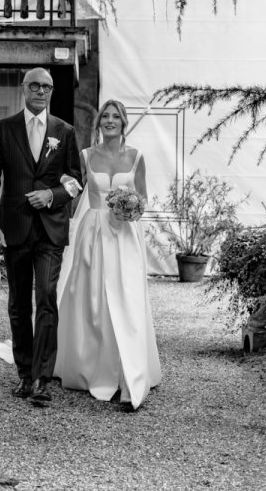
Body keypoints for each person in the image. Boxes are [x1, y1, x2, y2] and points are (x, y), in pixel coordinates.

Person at [0, 67, 82, 406]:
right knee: (19, 304)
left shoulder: (64, 132)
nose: (40, 91)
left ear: (52, 92)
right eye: (34, 85)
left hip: (51, 230)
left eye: (46, 87)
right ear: (24, 89)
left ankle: (42, 379)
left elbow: (75, 180)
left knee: (47, 298)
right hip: (14, 228)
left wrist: (52, 195)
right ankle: (24, 374)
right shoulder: (3, 129)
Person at [53, 99, 161, 410]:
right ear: (99, 123)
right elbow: (72, 185)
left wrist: (133, 206)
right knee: (94, 300)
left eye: (116, 117)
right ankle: (93, 368)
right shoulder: (86, 155)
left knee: (126, 299)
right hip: (94, 232)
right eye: (105, 117)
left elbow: (143, 197)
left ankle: (128, 372)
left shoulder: (136, 157)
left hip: (125, 236)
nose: (110, 121)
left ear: (124, 123)